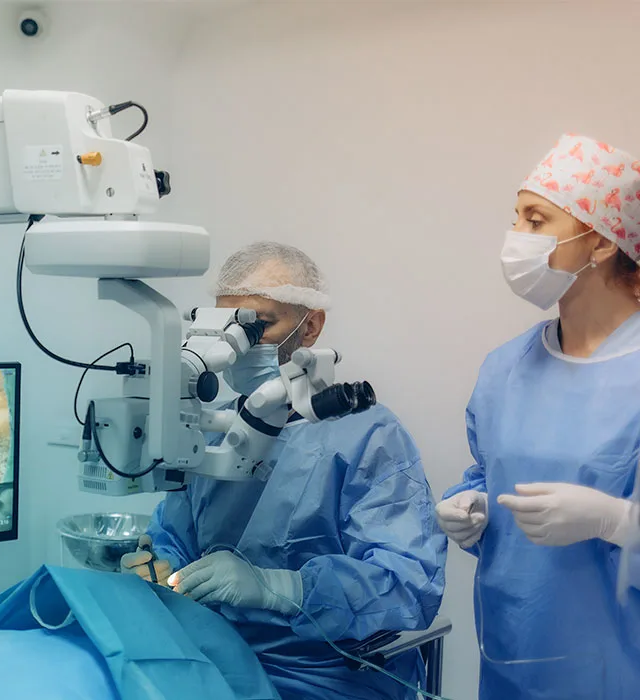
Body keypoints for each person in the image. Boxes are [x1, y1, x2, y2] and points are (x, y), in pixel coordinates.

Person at [122, 241, 447, 700]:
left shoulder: (368, 437)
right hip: (210, 658)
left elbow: (408, 588)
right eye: (227, 328)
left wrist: (281, 588)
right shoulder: (213, 425)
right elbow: (173, 535)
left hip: (322, 676)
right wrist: (159, 566)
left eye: (259, 326)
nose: (237, 347)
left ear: (310, 326)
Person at [436, 134, 640, 699]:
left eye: (535, 219)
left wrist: (617, 521)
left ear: (599, 243)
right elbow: (490, 473)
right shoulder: (506, 368)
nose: (516, 238)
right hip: (510, 660)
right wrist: (469, 505)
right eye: (516, 218)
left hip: (616, 671)